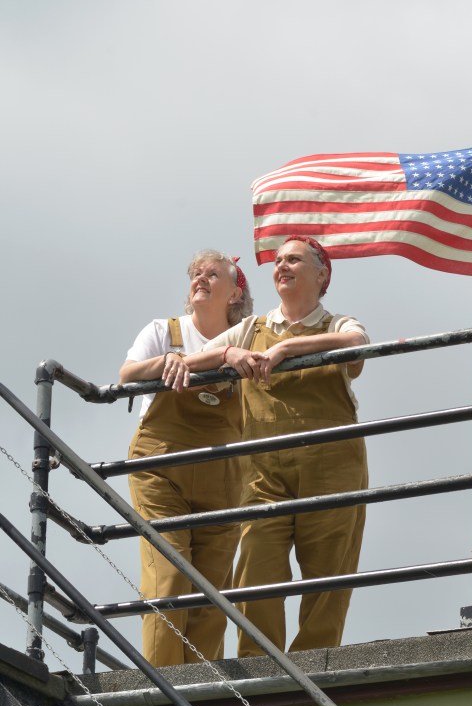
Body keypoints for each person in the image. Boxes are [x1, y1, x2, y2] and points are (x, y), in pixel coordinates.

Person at [189, 235, 369, 656]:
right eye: (278, 260)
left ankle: (316, 664)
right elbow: (191, 361)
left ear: (321, 275)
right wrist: (229, 354)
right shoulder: (251, 329)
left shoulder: (339, 324)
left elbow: (357, 346)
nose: (282, 266)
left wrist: (286, 348)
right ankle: (261, 667)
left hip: (333, 468)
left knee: (328, 576)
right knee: (255, 569)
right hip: (262, 473)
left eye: (294, 260)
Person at [120, 250, 253, 666]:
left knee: (212, 595)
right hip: (161, 466)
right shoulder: (164, 332)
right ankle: (164, 686)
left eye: (213, 274)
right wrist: (168, 361)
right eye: (196, 273)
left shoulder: (248, 340)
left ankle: (203, 689)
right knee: (169, 576)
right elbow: (127, 374)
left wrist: (230, 355)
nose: (200, 278)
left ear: (235, 293)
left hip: (224, 476)